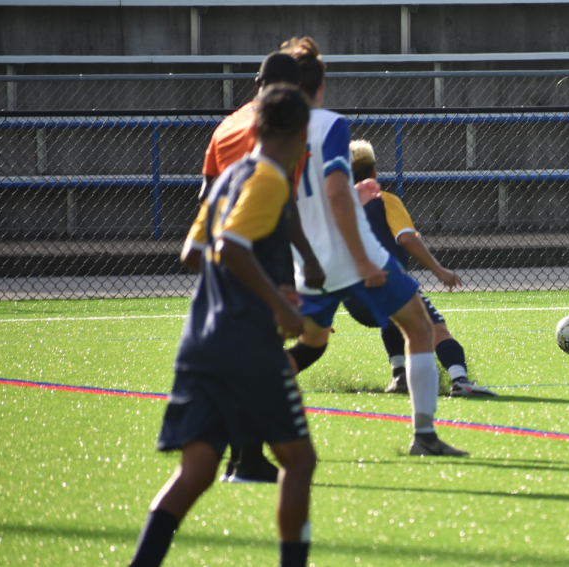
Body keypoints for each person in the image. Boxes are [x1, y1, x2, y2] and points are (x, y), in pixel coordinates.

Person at [128, 86, 316, 567]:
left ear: (255, 128)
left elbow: (194, 253)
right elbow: (232, 245)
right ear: (301, 133)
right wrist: (280, 305)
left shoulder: (229, 175)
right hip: (248, 345)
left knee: (197, 472)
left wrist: (251, 286)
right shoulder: (272, 179)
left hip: (201, 344)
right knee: (299, 461)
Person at [280, 36, 467, 457]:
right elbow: (336, 194)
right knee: (419, 327)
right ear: (321, 86)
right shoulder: (330, 125)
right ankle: (424, 437)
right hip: (353, 258)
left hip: (311, 263)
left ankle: (253, 395)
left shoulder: (276, 133)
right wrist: (364, 259)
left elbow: (281, 201)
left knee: (311, 345)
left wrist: (294, 263)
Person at [201, 51, 325, 484]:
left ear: (257, 82)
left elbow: (208, 196)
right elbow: (283, 200)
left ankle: (241, 458)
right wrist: (305, 261)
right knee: (261, 357)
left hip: (220, 254)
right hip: (260, 251)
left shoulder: (225, 127)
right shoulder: (284, 124)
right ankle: (247, 459)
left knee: (242, 355)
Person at [343, 139, 497, 397]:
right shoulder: (383, 199)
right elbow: (406, 238)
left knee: (393, 316)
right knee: (435, 327)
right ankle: (460, 380)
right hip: (385, 281)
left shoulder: (334, 206)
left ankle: (400, 375)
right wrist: (439, 271)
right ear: (374, 171)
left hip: (352, 299)